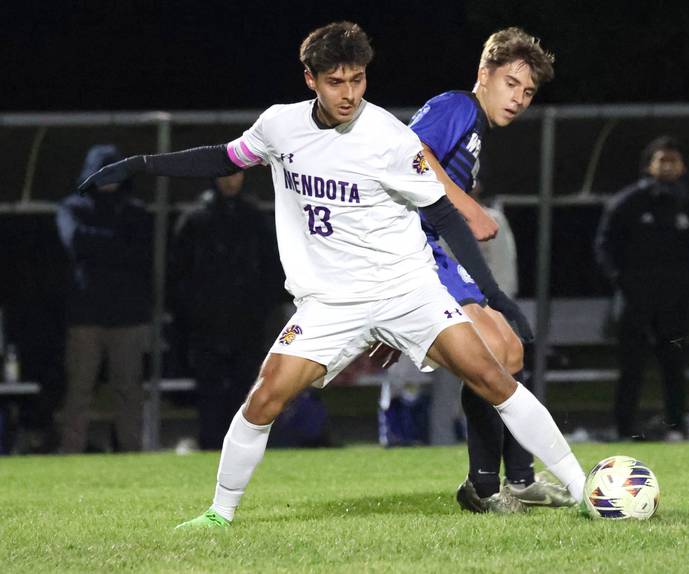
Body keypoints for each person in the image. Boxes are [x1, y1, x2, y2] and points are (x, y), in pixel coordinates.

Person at [78, 22, 586, 529]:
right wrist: (141, 164)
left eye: (358, 80)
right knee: (265, 397)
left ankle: (583, 491)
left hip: (405, 289)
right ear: (311, 79)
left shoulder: (388, 135)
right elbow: (224, 158)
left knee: (493, 375)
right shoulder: (280, 126)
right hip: (332, 302)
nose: (349, 94)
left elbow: (444, 214)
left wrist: (494, 293)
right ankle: (218, 514)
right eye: (336, 82)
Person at [404, 28, 573, 512]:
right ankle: (482, 486)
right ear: (484, 74)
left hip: (429, 252)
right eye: (511, 83)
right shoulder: (457, 105)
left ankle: (516, 479)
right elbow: (411, 155)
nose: (518, 98)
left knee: (508, 349)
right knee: (492, 352)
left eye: (528, 92)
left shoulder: (476, 125)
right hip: (404, 252)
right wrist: (470, 208)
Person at [594, 136, 689, 441]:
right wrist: (621, 280)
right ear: (649, 165)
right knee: (631, 367)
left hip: (675, 304)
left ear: (683, 167)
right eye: (662, 160)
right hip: (635, 302)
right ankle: (625, 429)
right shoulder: (627, 203)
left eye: (674, 160)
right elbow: (605, 246)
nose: (668, 166)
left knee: (675, 366)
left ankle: (676, 428)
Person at [170, 172, 284, 449]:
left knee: (245, 387)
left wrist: (260, 308)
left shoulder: (255, 219)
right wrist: (192, 311)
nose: (230, 181)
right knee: (210, 389)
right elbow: (179, 274)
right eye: (224, 175)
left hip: (246, 321)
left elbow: (271, 270)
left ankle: (241, 446)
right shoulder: (196, 219)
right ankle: (212, 443)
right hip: (207, 322)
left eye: (236, 174)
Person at [56, 144, 152, 453]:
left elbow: (142, 253)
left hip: (128, 318)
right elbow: (75, 241)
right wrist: (119, 246)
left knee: (128, 390)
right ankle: (70, 454)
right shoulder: (72, 207)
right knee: (79, 389)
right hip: (86, 317)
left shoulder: (136, 211)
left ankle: (131, 452)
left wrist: (97, 246)